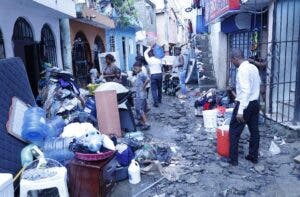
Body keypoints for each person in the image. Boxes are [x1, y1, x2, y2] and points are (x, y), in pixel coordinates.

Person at [228, 49, 261, 166]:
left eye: (231, 60)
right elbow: (258, 84)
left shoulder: (242, 70)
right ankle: (253, 156)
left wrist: (240, 111)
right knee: (254, 131)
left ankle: (233, 160)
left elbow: (246, 90)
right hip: (254, 103)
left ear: (235, 58)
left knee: (234, 131)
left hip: (245, 104)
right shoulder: (253, 68)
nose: (232, 63)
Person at [133, 61, 150, 130]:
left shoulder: (141, 74)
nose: (135, 70)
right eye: (134, 69)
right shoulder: (138, 74)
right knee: (142, 109)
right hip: (140, 94)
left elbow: (148, 79)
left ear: (140, 67)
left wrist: (143, 87)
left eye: (136, 68)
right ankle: (141, 122)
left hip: (141, 95)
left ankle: (146, 123)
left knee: (140, 109)